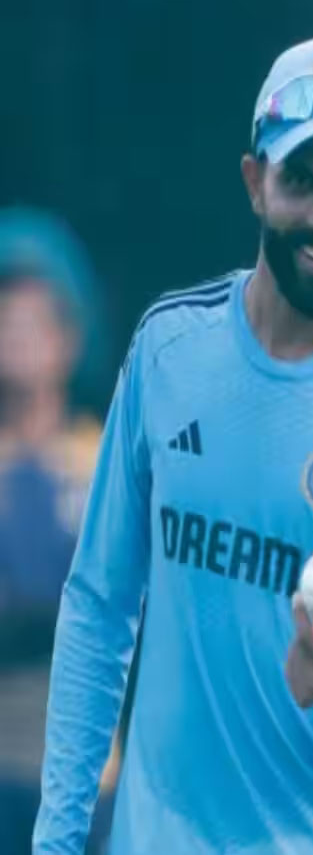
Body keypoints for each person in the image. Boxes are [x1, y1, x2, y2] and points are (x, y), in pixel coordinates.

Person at [34, 37, 313, 854]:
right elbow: (98, 608)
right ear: (254, 182)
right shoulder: (167, 349)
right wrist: (56, 842)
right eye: (300, 181)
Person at [0, 210, 117, 855]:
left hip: (88, 784)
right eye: (5, 321)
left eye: (33, 323)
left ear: (70, 339)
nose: (17, 339)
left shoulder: (105, 464)